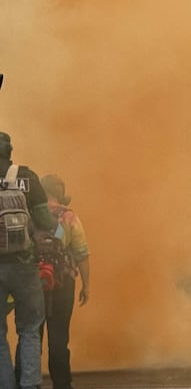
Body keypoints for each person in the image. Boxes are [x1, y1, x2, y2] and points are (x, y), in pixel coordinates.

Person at [0, 132, 57, 389]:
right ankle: (30, 384)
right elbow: (46, 221)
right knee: (30, 329)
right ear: (10, 152)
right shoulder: (27, 177)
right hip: (25, 265)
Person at [35, 174, 89, 389]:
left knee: (31, 336)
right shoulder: (69, 216)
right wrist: (86, 285)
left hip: (35, 282)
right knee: (59, 337)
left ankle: (27, 382)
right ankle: (62, 384)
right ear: (61, 191)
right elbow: (81, 253)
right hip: (63, 283)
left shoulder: (31, 213)